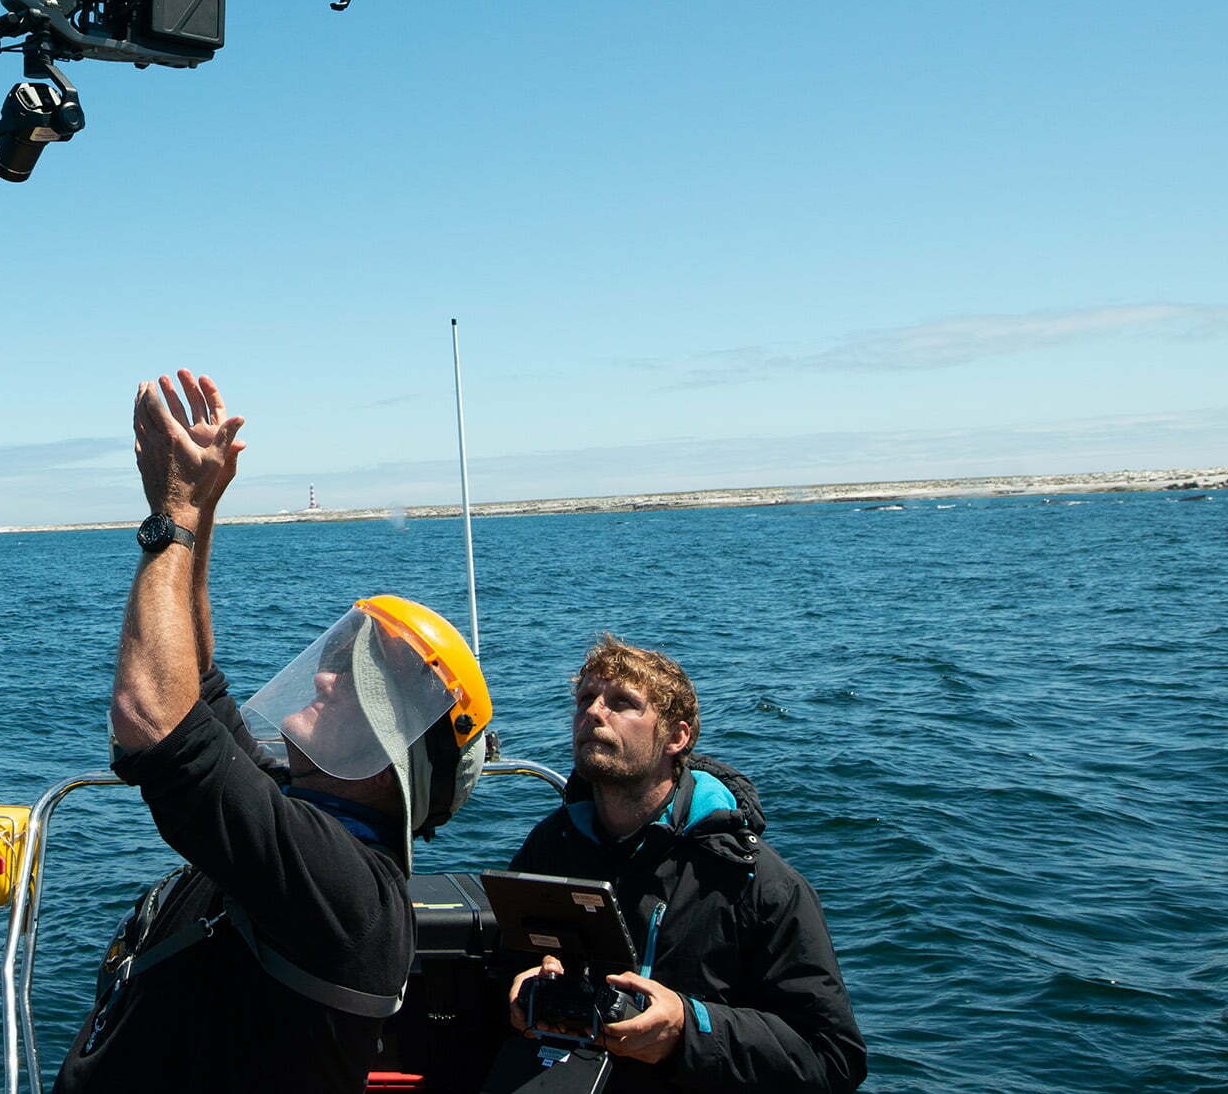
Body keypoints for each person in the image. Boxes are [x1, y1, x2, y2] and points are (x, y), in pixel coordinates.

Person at [53, 369, 496, 1094]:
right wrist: (201, 508)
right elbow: (195, 682)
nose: (323, 677)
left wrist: (174, 516)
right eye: (331, 664)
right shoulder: (305, 814)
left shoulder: (346, 890)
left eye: (355, 684)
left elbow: (153, 719)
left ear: (391, 764)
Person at [503, 635, 865, 1092]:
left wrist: (688, 1029)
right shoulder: (550, 845)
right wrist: (521, 984)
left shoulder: (754, 881)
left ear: (676, 737)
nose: (593, 713)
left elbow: (833, 1057)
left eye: (621, 702)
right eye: (585, 699)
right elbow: (505, 960)